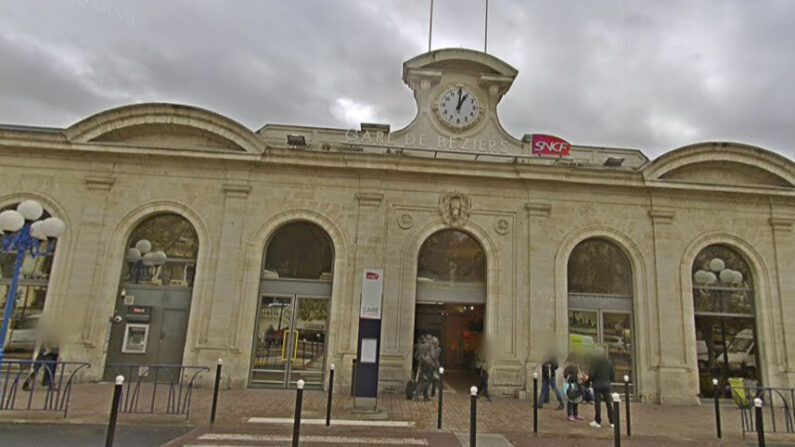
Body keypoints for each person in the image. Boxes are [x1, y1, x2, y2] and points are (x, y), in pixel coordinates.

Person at [588, 346, 615, 428]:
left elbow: (592, 374)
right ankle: (612, 421)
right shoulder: (609, 362)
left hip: (597, 384)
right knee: (609, 403)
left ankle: (598, 421)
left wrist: (590, 380)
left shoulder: (595, 362)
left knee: (597, 403)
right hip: (606, 384)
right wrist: (609, 380)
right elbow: (612, 374)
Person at [562, 357, 584, 422]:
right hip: (572, 389)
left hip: (575, 390)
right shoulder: (572, 373)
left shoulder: (575, 372)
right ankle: (570, 415)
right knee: (571, 403)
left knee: (575, 402)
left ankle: (575, 414)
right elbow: (570, 380)